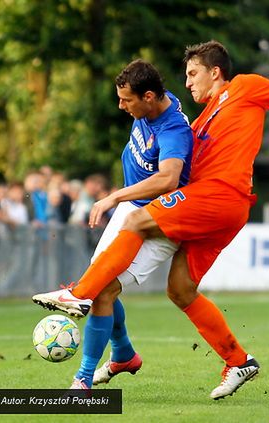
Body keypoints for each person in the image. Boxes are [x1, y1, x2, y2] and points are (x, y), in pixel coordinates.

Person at [33, 40, 269, 399]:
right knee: (179, 289)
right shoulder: (199, 118)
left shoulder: (246, 87)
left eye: (193, 74)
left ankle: (80, 294)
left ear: (215, 72)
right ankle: (239, 361)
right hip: (217, 210)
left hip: (221, 195)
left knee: (135, 222)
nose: (188, 81)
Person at [37, 59, 193, 390]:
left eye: (127, 100)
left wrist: (114, 196)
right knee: (100, 288)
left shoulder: (173, 128)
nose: (121, 106)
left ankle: (83, 380)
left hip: (159, 220)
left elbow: (168, 179)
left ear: (149, 96)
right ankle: (123, 354)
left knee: (103, 288)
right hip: (132, 211)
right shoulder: (152, 108)